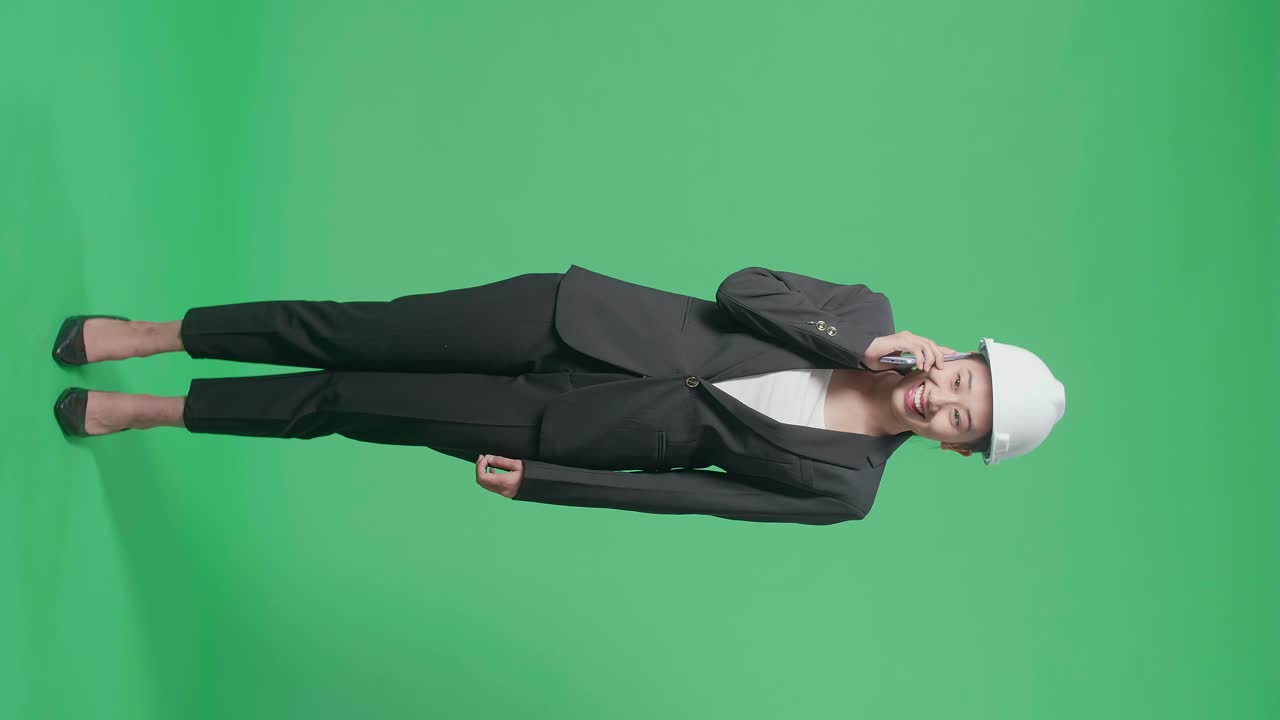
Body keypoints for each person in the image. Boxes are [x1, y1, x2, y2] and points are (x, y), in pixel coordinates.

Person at [51, 265, 1066, 525]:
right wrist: (853, 339)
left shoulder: (845, 489)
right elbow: (738, 290)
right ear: (952, 356)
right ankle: (159, 336)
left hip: (574, 429)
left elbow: (696, 498)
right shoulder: (864, 311)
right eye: (961, 380)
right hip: (568, 318)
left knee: (349, 402)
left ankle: (157, 410)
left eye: (963, 424)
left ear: (953, 449)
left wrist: (546, 484)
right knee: (357, 330)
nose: (943, 400)